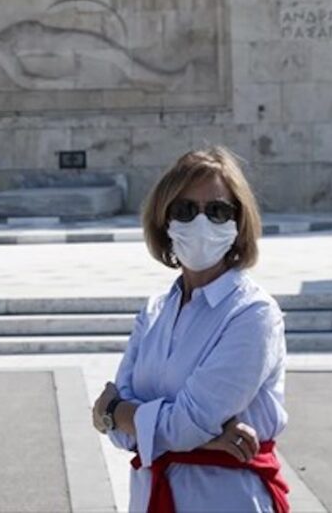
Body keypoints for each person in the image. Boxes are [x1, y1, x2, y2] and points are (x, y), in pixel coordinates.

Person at [91, 146, 289, 513]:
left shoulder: (253, 314)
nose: (201, 224)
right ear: (164, 220)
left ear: (238, 222)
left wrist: (120, 413)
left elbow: (179, 422)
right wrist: (207, 439)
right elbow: (122, 435)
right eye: (184, 210)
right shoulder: (154, 311)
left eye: (217, 211)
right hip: (152, 495)